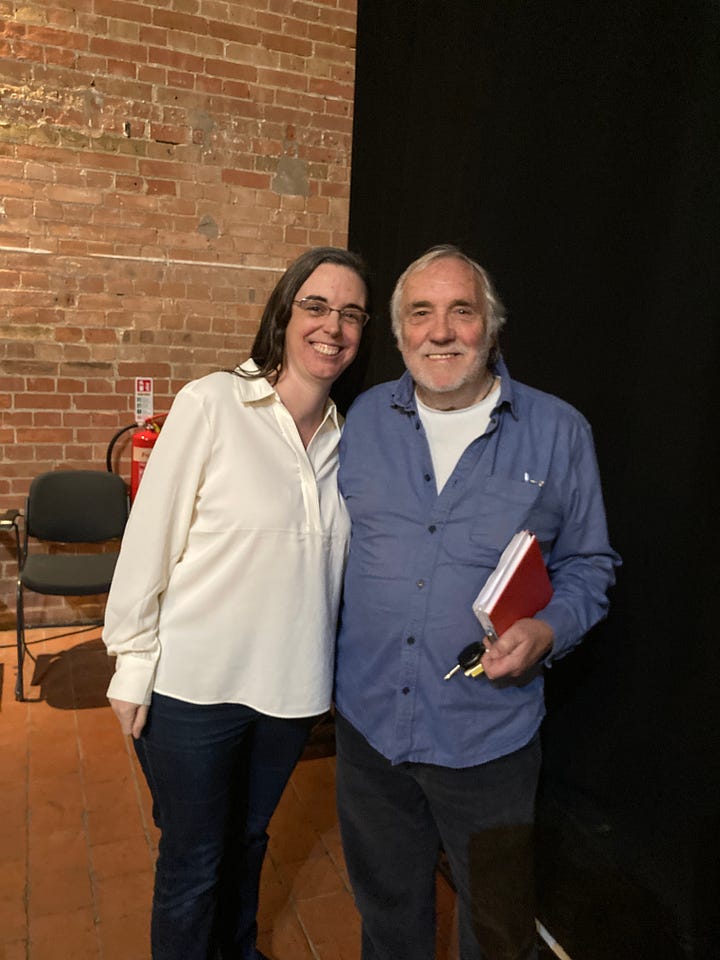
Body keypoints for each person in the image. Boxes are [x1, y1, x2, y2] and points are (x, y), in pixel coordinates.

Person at [334, 244, 620, 960]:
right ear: (398, 334)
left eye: (461, 311)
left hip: (486, 740)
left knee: (496, 931)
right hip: (369, 733)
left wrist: (550, 628)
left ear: (490, 327)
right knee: (387, 919)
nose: (441, 331)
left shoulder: (558, 432)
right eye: (420, 313)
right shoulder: (362, 422)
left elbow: (590, 563)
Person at [102, 246, 370, 960]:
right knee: (193, 862)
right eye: (316, 306)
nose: (332, 327)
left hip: (289, 691)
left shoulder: (353, 438)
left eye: (351, 314)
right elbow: (148, 539)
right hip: (195, 688)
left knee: (249, 840)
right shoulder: (213, 402)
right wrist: (131, 661)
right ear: (284, 314)